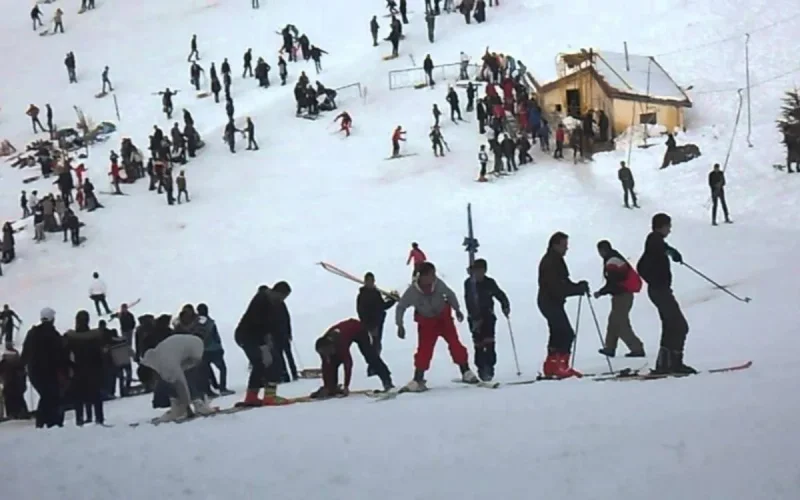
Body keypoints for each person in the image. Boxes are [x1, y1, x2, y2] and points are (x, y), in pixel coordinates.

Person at [395, 262, 479, 391]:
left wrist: (457, 309)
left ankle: (466, 372)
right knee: (424, 350)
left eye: (434, 274)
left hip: (444, 319)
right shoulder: (412, 291)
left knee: (455, 344)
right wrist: (400, 325)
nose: (433, 278)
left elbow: (450, 295)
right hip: (427, 323)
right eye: (429, 275)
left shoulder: (438, 284)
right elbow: (401, 307)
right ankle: (418, 379)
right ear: (421, 277)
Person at [636, 213, 695, 374]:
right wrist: (671, 251)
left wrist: (669, 251)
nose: (670, 229)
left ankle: (665, 364)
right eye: (668, 226)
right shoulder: (654, 240)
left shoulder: (654, 241)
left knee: (670, 325)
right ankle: (674, 363)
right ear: (662, 226)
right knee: (680, 326)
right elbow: (659, 247)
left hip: (659, 290)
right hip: (660, 290)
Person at [537, 232, 588, 379]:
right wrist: (576, 289)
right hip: (550, 300)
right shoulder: (552, 261)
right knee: (565, 333)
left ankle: (552, 366)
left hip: (549, 301)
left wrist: (577, 287)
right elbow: (557, 287)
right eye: (564, 245)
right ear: (555, 245)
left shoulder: (554, 259)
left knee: (557, 333)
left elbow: (563, 283)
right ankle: (560, 366)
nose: (567, 249)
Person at [234, 283, 293, 406]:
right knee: (269, 361)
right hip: (247, 336)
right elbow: (257, 323)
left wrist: (282, 337)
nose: (282, 300)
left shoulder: (277, 304)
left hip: (260, 338)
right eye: (282, 297)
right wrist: (263, 346)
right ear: (275, 292)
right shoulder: (261, 300)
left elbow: (281, 322)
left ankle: (253, 397)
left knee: (264, 363)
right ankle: (267, 396)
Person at [139, 332, 216, 423]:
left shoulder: (167, 365)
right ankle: (178, 406)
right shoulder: (151, 360)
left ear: (151, 374)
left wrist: (188, 409)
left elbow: (182, 384)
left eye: (152, 381)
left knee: (188, 376)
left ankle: (198, 404)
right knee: (170, 379)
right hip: (182, 343)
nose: (154, 382)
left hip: (195, 348)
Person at [309, 318, 394, 399]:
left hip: (358, 329)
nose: (325, 355)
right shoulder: (323, 348)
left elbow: (348, 364)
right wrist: (327, 386)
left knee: (370, 356)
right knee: (332, 363)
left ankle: (387, 381)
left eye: (327, 353)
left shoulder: (340, 344)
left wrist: (346, 386)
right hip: (345, 332)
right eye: (323, 354)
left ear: (331, 347)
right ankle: (331, 387)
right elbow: (326, 367)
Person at [593, 240, 645, 358]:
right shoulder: (615, 258)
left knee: (619, 324)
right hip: (623, 295)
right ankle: (609, 347)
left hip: (622, 296)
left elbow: (613, 283)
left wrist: (601, 292)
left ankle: (637, 348)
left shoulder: (612, 262)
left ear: (602, 250)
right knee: (614, 321)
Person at [21, 308, 69, 428]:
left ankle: (45, 421)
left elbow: (25, 351)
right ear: (52, 319)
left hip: (34, 372)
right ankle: (49, 421)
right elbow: (59, 354)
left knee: (46, 395)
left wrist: (22, 366)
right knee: (51, 395)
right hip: (49, 371)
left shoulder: (32, 333)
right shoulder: (53, 334)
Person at [463, 258, 510, 382]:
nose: (479, 274)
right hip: (474, 318)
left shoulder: (490, 283)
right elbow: (469, 301)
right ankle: (481, 368)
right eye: (476, 271)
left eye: (481, 271)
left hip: (488, 316)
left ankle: (489, 368)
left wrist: (505, 305)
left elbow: (500, 295)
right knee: (478, 344)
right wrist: (474, 318)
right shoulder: (469, 283)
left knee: (489, 343)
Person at [64, 310, 106, 426]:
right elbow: (100, 354)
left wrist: (70, 367)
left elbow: (66, 354)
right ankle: (99, 418)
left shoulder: (71, 337)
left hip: (78, 370)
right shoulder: (95, 336)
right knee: (96, 396)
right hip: (93, 370)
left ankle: (79, 419)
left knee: (79, 397)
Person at [356, 272, 397, 375]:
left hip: (378, 323)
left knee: (377, 345)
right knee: (373, 347)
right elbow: (361, 312)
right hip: (370, 324)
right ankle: (373, 368)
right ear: (365, 282)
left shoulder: (376, 293)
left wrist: (392, 300)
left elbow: (382, 306)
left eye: (372, 281)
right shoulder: (362, 295)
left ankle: (374, 367)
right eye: (368, 281)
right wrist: (369, 326)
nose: (370, 283)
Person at [195, 303, 233, 396]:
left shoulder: (194, 323)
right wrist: (220, 348)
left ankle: (208, 391)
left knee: (205, 371)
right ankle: (222, 388)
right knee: (222, 369)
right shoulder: (211, 323)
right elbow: (216, 337)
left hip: (202, 350)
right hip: (214, 350)